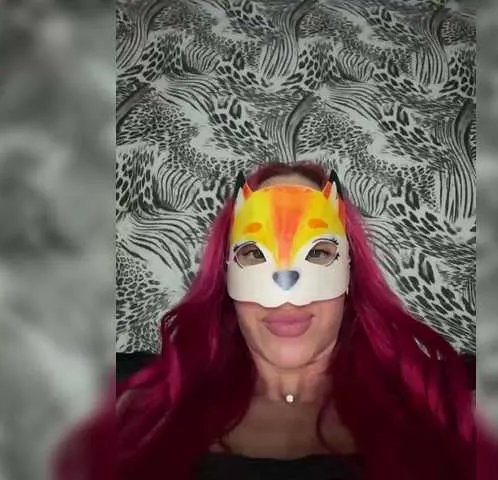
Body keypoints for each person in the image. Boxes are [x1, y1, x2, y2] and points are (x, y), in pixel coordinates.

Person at [105, 160, 475, 480]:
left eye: (318, 252)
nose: (286, 286)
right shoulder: (138, 414)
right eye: (255, 253)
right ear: (226, 273)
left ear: (350, 272)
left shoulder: (449, 409)